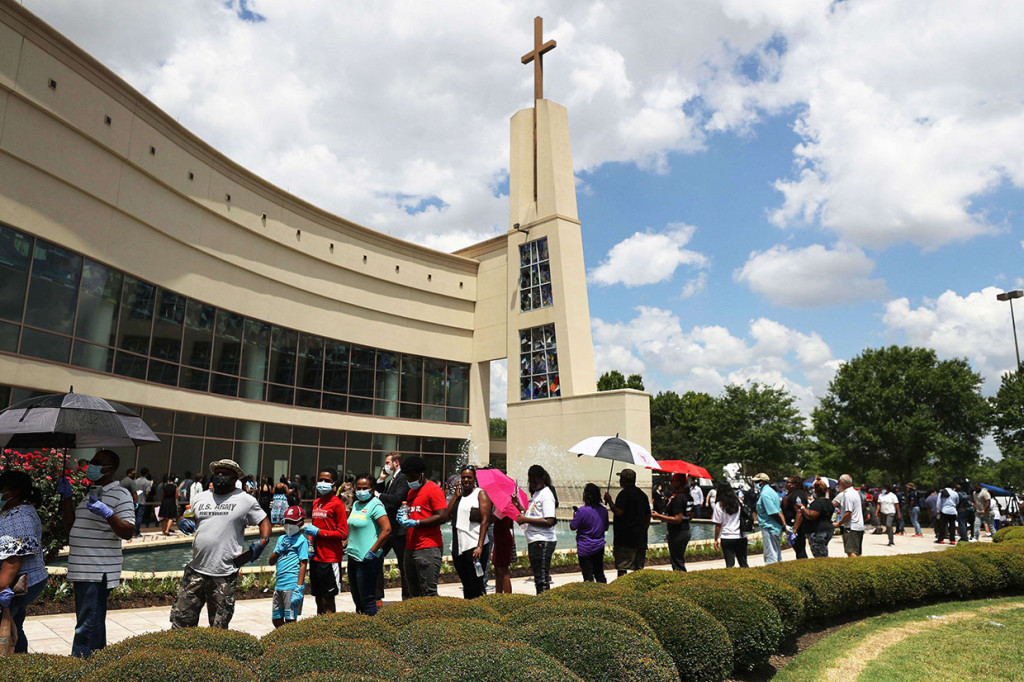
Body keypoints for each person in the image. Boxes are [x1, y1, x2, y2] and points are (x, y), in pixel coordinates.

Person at [169, 459, 270, 629]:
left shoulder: (245, 500)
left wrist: (263, 541)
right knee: (181, 623)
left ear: (235, 477)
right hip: (195, 571)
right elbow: (186, 516)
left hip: (224, 574)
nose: (220, 475)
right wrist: (181, 521)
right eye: (217, 473)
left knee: (218, 627)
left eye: (225, 473)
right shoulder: (201, 497)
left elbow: (264, 521)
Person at [58, 450, 135, 657]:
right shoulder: (91, 493)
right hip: (83, 569)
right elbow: (71, 527)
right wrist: (67, 499)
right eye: (93, 461)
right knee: (91, 622)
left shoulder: (121, 494)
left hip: (97, 569)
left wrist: (108, 514)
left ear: (111, 468)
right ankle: (98, 661)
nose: (92, 465)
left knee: (87, 626)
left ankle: (82, 665)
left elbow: (128, 531)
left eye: (98, 462)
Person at [0, 471, 48, 654]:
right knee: (15, 627)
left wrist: (2, 588)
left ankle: (14, 664)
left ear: (14, 492)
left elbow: (14, 559)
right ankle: (20, 661)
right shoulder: (14, 512)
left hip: (18, 583)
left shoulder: (18, 517)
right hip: (20, 583)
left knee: (8, 630)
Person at [396, 455, 449, 597]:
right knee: (413, 592)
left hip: (428, 547)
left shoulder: (433, 490)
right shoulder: (411, 492)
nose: (410, 480)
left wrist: (417, 523)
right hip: (411, 547)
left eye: (412, 477)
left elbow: (442, 516)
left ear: (421, 474)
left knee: (428, 593)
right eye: (407, 478)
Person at [305, 469, 349, 615]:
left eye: (327, 481)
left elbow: (343, 533)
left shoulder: (337, 504)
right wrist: (310, 540)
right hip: (315, 557)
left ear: (334, 485)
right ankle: (319, 626)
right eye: (320, 480)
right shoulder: (316, 503)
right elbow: (315, 527)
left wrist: (319, 532)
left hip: (330, 558)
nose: (322, 483)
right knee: (318, 598)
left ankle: (329, 627)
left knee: (328, 600)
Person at [346, 474, 391, 615]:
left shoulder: (376, 505)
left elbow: (387, 529)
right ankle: (361, 624)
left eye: (364, 488)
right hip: (353, 557)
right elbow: (353, 528)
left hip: (368, 559)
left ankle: (372, 625)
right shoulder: (356, 504)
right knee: (356, 597)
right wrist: (345, 543)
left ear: (372, 489)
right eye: (358, 488)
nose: (361, 491)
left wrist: (373, 551)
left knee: (367, 598)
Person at [447, 466, 493, 599]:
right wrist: (455, 497)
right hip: (459, 546)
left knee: (476, 584)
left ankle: (481, 609)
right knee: (466, 583)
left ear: (474, 479)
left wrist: (480, 546)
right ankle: (469, 609)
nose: (466, 480)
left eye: (469, 477)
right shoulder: (459, 496)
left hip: (474, 545)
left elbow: (485, 521)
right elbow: (446, 515)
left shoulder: (480, 494)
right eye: (463, 477)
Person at [515, 465, 558, 593]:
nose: (532, 484)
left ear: (543, 478)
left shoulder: (546, 495)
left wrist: (525, 519)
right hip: (534, 540)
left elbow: (549, 521)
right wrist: (519, 506)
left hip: (543, 540)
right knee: (538, 578)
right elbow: (534, 514)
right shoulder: (537, 494)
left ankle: (544, 603)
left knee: (542, 580)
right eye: (531, 481)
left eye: (535, 481)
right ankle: (541, 601)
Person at [375, 452, 410, 601]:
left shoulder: (403, 478)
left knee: (404, 565)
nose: (386, 466)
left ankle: (407, 598)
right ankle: (377, 596)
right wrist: (381, 479)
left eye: (388, 463)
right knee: (376, 558)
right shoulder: (391, 479)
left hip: (399, 530)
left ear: (396, 463)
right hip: (388, 530)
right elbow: (381, 495)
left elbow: (397, 499)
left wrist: (379, 495)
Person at [604, 468, 651, 577]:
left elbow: (619, 512)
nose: (620, 480)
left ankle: (622, 588)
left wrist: (609, 501)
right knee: (638, 570)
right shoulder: (642, 495)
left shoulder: (624, 494)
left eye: (621, 478)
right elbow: (648, 515)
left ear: (624, 480)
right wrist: (644, 529)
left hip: (625, 539)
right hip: (640, 538)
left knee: (622, 568)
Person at [268, 506, 308, 627]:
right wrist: (278, 550)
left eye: (292, 522)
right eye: (287, 521)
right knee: (276, 619)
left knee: (290, 619)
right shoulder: (281, 539)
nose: (289, 525)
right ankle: (282, 637)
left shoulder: (302, 540)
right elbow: (271, 561)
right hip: (279, 584)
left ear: (301, 523)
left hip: (291, 584)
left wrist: (299, 587)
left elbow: (303, 564)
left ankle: (290, 638)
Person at [651, 474, 692, 571]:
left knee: (677, 563)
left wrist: (659, 516)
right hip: (685, 530)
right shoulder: (688, 497)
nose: (671, 483)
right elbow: (690, 516)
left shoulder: (679, 499)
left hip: (678, 533)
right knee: (679, 560)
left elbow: (677, 519)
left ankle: (680, 579)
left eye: (673, 481)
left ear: (679, 483)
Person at [569, 483, 609, 583]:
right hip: (599, 546)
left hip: (585, 547)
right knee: (599, 573)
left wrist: (575, 516)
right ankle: (605, 591)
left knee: (588, 576)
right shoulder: (603, 510)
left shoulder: (582, 511)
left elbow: (573, 527)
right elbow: (606, 527)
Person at [753, 473, 786, 565]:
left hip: (770, 527)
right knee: (776, 554)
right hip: (774, 527)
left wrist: (782, 524)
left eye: (756, 482)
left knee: (771, 556)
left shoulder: (765, 494)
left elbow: (773, 512)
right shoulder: (771, 492)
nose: (754, 484)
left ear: (762, 482)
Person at [795, 479, 834, 558]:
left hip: (818, 532)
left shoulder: (817, 503)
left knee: (820, 555)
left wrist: (802, 507)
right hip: (828, 530)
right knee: (823, 551)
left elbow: (811, 516)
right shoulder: (829, 502)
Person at [712, 484, 747, 568]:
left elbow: (718, 524)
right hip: (740, 536)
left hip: (727, 536)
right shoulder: (739, 502)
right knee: (743, 563)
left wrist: (716, 539)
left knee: (730, 564)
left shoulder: (719, 505)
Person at [832, 474, 865, 557]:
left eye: (839, 482)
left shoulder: (847, 495)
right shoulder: (855, 492)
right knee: (857, 552)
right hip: (858, 525)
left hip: (851, 527)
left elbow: (848, 513)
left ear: (842, 482)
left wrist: (839, 523)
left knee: (851, 552)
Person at [781, 476, 809, 559]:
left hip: (797, 527)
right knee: (797, 548)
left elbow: (799, 512)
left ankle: (803, 564)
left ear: (794, 484)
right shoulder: (789, 494)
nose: (786, 484)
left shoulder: (798, 494)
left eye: (788, 482)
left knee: (800, 549)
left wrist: (795, 529)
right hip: (790, 525)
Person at [490, 510, 515, 594]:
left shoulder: (501, 509)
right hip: (499, 539)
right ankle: (498, 594)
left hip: (503, 540)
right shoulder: (500, 508)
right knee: (497, 570)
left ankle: (507, 596)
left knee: (503, 570)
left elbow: (490, 520)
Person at [133, 468, 153, 532]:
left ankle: (132, 529)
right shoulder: (147, 482)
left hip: (135, 500)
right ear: (147, 474)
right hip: (142, 500)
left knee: (134, 516)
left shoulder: (136, 481)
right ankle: (137, 530)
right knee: (139, 516)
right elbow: (147, 493)